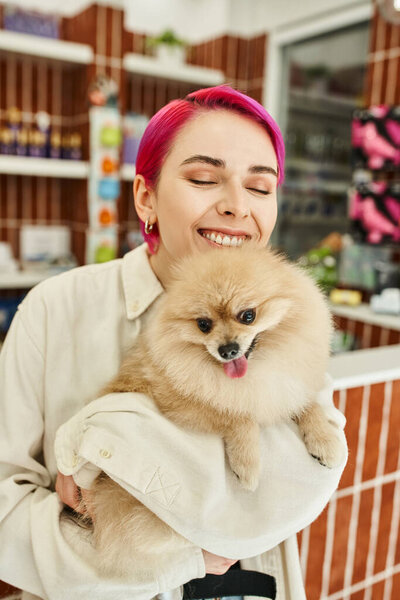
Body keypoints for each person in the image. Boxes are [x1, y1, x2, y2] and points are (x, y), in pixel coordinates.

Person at [0, 85, 347, 600]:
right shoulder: (58, 308)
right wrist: (178, 560)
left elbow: (311, 467)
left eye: (260, 187)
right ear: (146, 196)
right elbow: (5, 508)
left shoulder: (285, 313)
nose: (235, 206)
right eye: (205, 179)